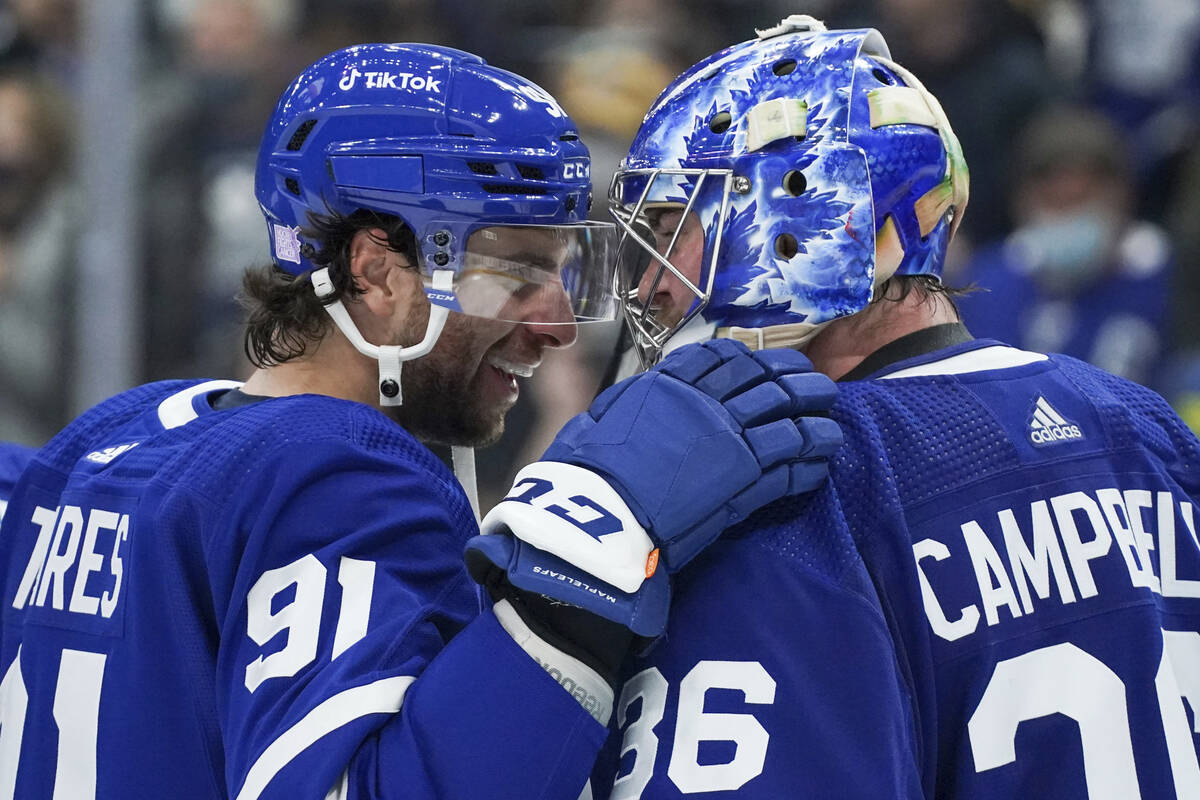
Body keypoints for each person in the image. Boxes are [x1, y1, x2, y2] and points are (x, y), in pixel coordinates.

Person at [0, 43, 839, 800]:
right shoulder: (341, 475)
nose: (552, 326)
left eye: (564, 275)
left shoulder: (110, 439)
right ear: (375, 271)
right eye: (515, 272)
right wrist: (577, 575)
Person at [574, 15, 1200, 798]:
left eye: (674, 229)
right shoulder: (1144, 428)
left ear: (803, 219)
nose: (649, 284)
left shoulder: (797, 478)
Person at [955, 104, 1173, 389]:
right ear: (1021, 202)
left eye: (1080, 202)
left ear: (1123, 197)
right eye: (1054, 204)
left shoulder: (1169, 275)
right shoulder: (987, 283)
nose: (1067, 220)